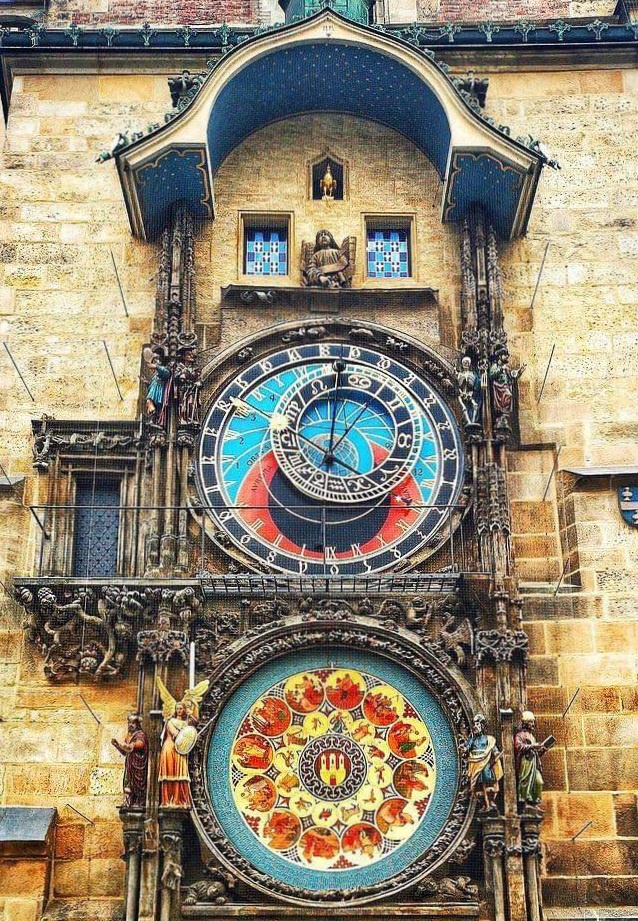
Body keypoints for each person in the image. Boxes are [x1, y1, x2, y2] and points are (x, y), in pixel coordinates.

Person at [156, 677, 209, 807]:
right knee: (170, 773)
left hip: (181, 749)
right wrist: (186, 735)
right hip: (170, 748)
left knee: (181, 773)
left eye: (181, 708)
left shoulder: (185, 723)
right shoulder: (170, 721)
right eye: (177, 708)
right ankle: (168, 800)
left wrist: (194, 704)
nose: (179, 710)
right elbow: (176, 734)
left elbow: (195, 719)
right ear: (175, 710)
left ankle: (179, 800)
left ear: (184, 710)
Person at [465, 712, 502, 814]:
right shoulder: (472, 740)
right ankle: (484, 804)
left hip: (485, 765)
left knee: (488, 782)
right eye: (474, 724)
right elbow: (466, 748)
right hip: (475, 764)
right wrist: (464, 749)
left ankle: (490, 803)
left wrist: (496, 753)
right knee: (478, 785)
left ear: (482, 726)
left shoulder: (488, 739)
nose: (475, 727)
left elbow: (493, 748)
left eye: (477, 724)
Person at [111, 714, 149, 809]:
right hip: (129, 765)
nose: (130, 725)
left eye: (133, 723)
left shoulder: (140, 735)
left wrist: (128, 746)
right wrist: (117, 745)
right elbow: (125, 752)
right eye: (129, 723)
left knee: (137, 785)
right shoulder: (128, 736)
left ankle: (138, 802)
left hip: (138, 766)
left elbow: (140, 745)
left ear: (137, 724)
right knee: (127, 784)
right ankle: (128, 802)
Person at [514, 710, 547, 811]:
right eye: (531, 722)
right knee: (525, 781)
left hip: (533, 762)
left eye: (533, 722)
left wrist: (542, 750)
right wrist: (532, 746)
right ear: (525, 723)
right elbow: (518, 746)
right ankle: (525, 803)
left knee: (539, 782)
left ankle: (534, 802)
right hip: (526, 762)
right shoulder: (520, 735)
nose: (533, 724)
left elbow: (536, 753)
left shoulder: (532, 737)